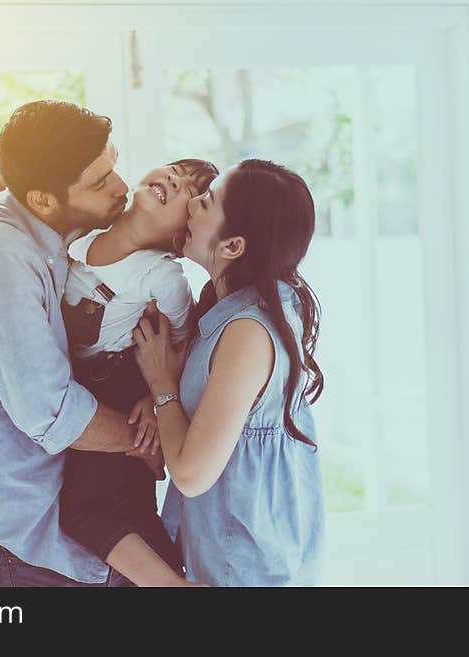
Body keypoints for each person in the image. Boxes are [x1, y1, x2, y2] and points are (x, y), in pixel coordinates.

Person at [0, 157, 218, 587]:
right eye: (172, 170)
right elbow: (55, 195)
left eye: (186, 189)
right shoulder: (84, 234)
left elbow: (183, 342)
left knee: (91, 508)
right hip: (81, 385)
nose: (173, 179)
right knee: (120, 502)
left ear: (177, 237)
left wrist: (157, 396)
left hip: (121, 385)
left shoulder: (161, 275)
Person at [0, 100, 162, 587]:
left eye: (113, 166)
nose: (122, 188)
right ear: (41, 200)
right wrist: (153, 441)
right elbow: (50, 411)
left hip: (64, 520)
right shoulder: (0, 256)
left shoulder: (49, 218)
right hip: (26, 539)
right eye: (99, 183)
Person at [132, 159, 326, 586]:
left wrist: (162, 385)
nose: (192, 204)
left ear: (233, 246)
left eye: (207, 200)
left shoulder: (247, 332)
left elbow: (191, 474)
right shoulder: (234, 311)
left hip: (246, 573)